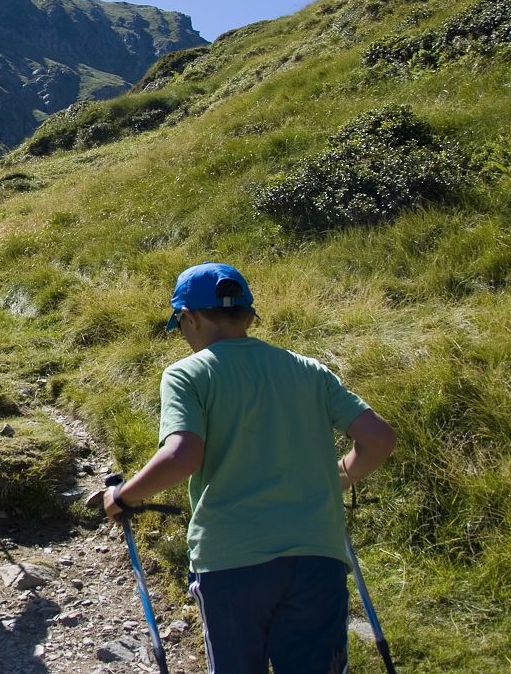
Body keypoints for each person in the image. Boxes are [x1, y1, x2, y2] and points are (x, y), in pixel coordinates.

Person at [102, 262, 396, 674]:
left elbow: (183, 455)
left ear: (189, 317)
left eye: (182, 325)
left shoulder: (188, 374)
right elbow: (379, 439)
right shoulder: (309, 370)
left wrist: (122, 496)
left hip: (231, 559)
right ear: (248, 315)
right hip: (317, 555)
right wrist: (339, 475)